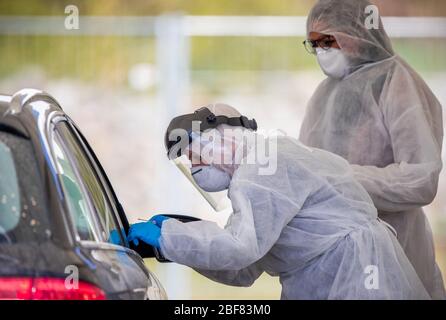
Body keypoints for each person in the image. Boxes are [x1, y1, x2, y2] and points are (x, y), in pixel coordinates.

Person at [128, 103, 429, 299]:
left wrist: (168, 237)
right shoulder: (262, 167)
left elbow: (239, 249)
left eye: (195, 155)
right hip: (332, 276)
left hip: (356, 279)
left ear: (220, 139)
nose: (194, 168)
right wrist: (171, 244)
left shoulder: (261, 168)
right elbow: (243, 270)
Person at [299, 0, 445, 299]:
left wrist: (341, 179)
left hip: (394, 247)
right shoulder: (324, 94)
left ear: (359, 33)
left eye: (330, 40)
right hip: (330, 251)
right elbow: (307, 167)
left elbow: (421, 180)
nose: (323, 51)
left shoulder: (398, 84)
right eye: (314, 44)